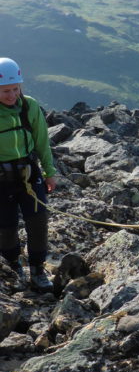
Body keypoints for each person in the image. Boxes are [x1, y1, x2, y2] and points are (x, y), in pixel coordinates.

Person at [0, 58, 57, 290]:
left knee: (38, 221)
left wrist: (50, 172)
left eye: (16, 89)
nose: (12, 95)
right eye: (5, 91)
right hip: (1, 182)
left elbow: (42, 142)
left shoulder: (29, 107)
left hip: (30, 177)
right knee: (6, 227)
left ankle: (37, 270)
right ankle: (13, 264)